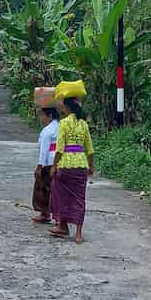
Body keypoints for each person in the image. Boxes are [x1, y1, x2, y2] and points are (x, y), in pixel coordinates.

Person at [50, 97, 94, 244]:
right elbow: (90, 150)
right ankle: (79, 234)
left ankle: (62, 225)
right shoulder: (84, 124)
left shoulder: (64, 123)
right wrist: (91, 166)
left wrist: (54, 165)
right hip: (81, 165)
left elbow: (60, 149)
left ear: (68, 108)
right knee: (79, 199)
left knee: (61, 196)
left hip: (66, 165)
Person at [32, 106, 59, 224]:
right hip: (58, 161)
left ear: (50, 116)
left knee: (43, 188)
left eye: (42, 115)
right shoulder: (60, 127)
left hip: (48, 162)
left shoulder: (47, 131)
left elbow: (44, 150)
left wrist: (39, 166)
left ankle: (45, 212)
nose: (41, 118)